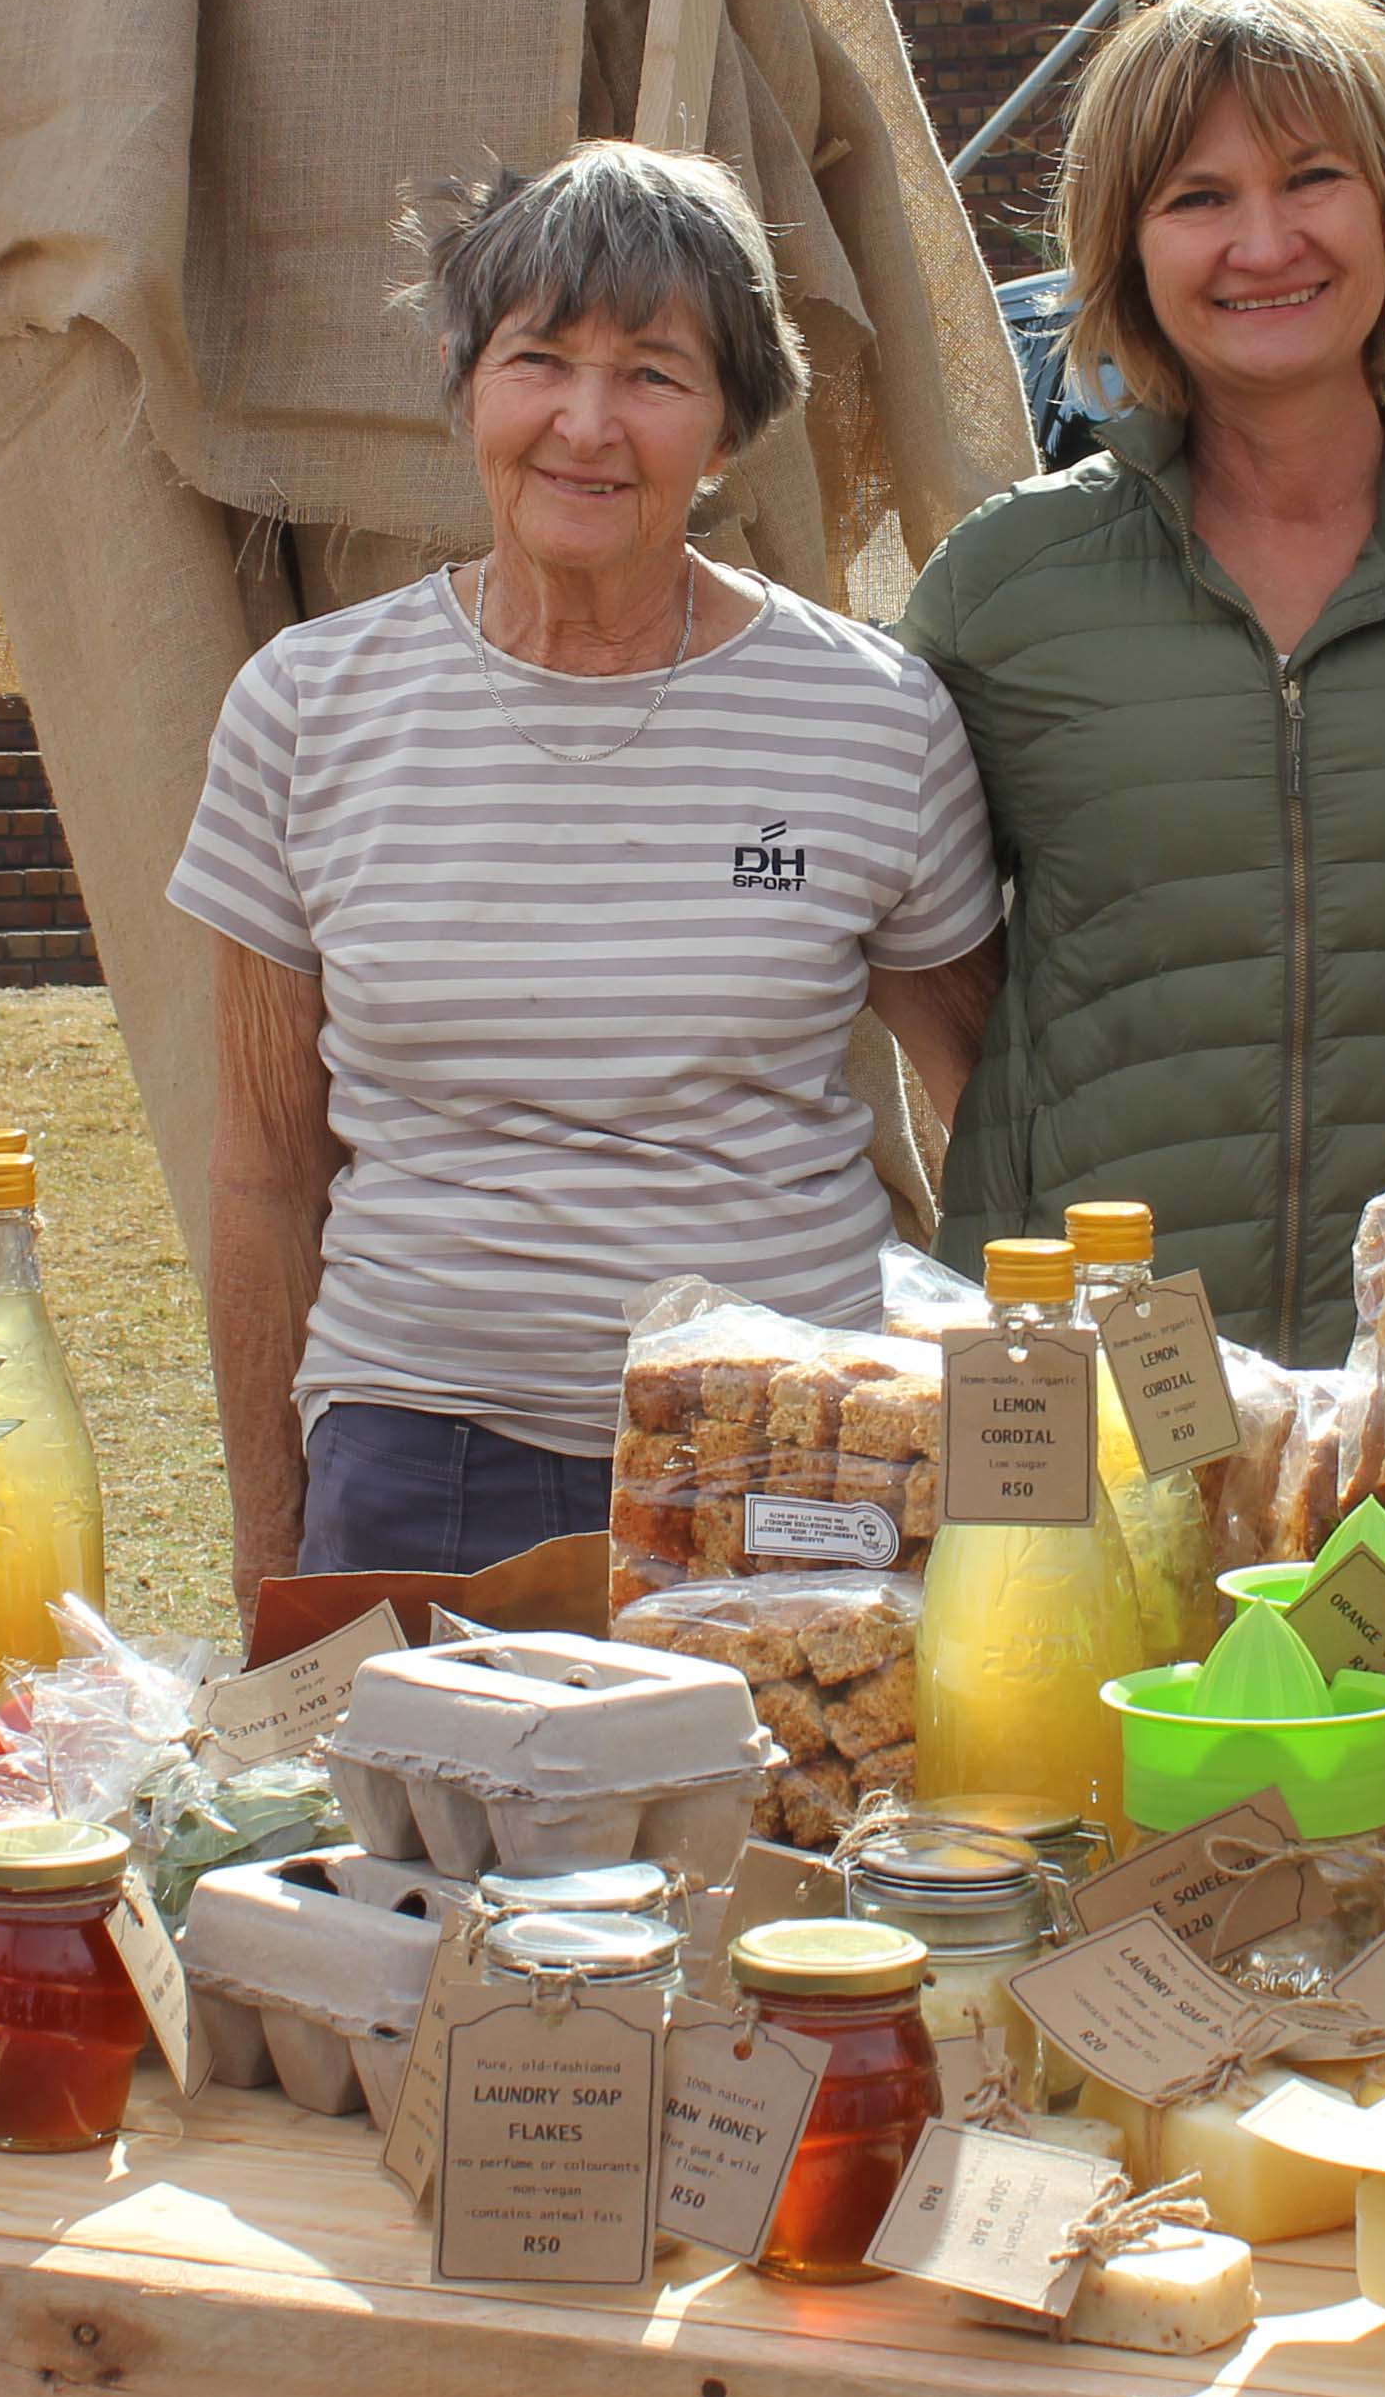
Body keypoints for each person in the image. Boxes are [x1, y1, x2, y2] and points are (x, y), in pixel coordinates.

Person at [172, 140, 1004, 1585]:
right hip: (420, 1457)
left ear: (732, 426)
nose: (587, 423)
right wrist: (266, 1540)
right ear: (465, 384)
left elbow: (993, 1118)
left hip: (785, 1450)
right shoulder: (307, 710)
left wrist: (1010, 1469)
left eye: (655, 375)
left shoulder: (870, 717)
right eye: (539, 360)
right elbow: (263, 1171)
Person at [898, 0, 1385, 1360]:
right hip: (1089, 1367)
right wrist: (1012, 1130)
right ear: (1128, 248)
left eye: (1312, 179)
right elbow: (873, 889)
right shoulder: (1009, 585)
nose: (1263, 243)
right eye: (1198, 198)